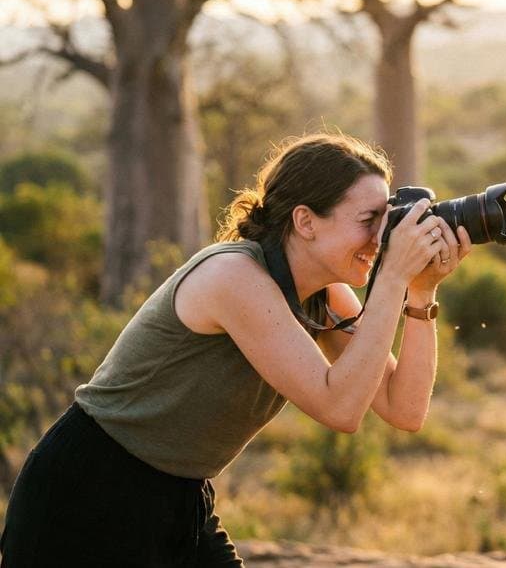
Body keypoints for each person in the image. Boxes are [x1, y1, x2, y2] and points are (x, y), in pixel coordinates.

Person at [0, 133, 471, 566]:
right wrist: (391, 278)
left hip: (182, 494)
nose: (380, 238)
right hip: (89, 493)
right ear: (305, 221)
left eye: (385, 221)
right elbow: (340, 408)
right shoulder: (234, 278)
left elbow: (404, 409)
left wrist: (420, 292)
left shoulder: (324, 297)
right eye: (369, 221)